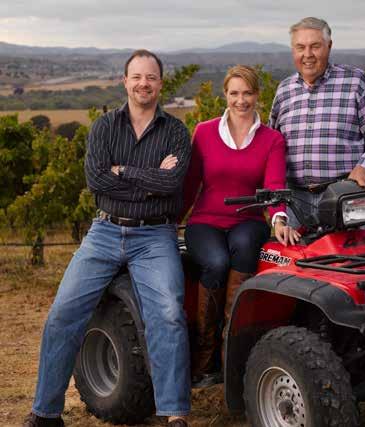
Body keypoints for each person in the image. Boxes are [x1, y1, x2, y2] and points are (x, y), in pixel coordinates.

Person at [23, 50, 192, 427]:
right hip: (104, 231)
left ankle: (174, 414)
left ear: (160, 83)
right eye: (137, 77)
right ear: (125, 81)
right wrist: (147, 180)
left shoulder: (176, 132)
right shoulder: (104, 127)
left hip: (154, 235)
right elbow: (98, 181)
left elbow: (172, 184)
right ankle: (46, 412)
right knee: (63, 314)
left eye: (151, 77)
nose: (143, 84)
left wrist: (124, 171)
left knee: (167, 315)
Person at [181, 65, 299, 387]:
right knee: (216, 262)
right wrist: (171, 221)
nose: (241, 100)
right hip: (205, 221)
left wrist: (279, 218)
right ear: (226, 95)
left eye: (247, 93)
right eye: (234, 93)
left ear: (257, 96)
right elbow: (191, 184)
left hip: (248, 220)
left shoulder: (272, 139)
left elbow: (274, 186)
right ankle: (206, 357)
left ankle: (231, 355)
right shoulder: (204, 132)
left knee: (246, 247)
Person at [269, 17, 365, 227]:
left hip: (345, 197)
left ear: (329, 46)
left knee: (350, 259)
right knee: (297, 259)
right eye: (300, 47)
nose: (307, 54)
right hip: (294, 203)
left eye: (315, 46)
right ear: (293, 50)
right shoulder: (284, 91)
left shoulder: (356, 82)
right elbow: (271, 146)